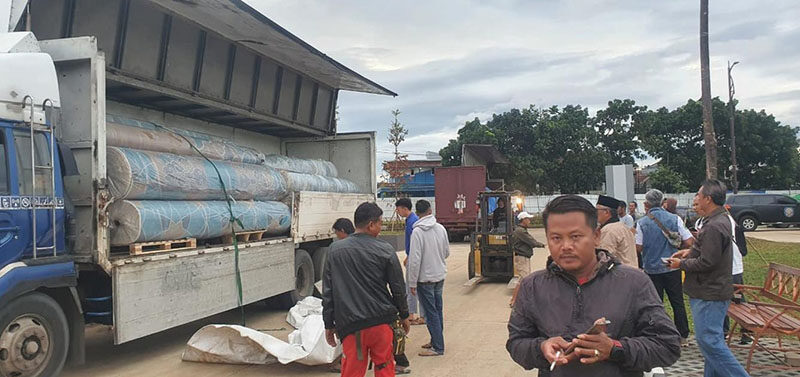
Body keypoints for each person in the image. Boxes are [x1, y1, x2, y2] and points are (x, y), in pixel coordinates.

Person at [506, 195, 681, 376]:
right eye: (556, 238)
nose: (566, 246)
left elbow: (667, 345)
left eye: (575, 236)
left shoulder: (634, 283)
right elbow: (516, 343)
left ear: (596, 236)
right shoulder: (533, 286)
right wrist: (541, 347)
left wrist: (615, 348)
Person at [666, 180, 750, 377]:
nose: (695, 198)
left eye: (698, 194)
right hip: (711, 290)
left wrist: (681, 265)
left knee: (710, 343)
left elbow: (707, 263)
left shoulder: (714, 225)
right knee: (710, 342)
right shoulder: (717, 220)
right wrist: (689, 252)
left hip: (709, 292)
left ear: (708, 199)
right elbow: (711, 254)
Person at [323, 202, 411, 377]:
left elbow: (329, 292)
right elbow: (398, 288)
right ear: (371, 224)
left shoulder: (335, 250)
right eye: (380, 223)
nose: (381, 227)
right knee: (385, 367)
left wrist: (328, 324)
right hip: (382, 323)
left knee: (352, 371)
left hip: (351, 326)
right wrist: (404, 315)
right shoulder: (385, 250)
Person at [635, 189, 692, 346]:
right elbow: (689, 241)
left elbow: (638, 247)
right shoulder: (675, 219)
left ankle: (658, 335)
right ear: (662, 202)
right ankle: (683, 336)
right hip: (672, 266)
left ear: (646, 204)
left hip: (652, 269)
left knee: (655, 304)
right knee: (677, 302)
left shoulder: (642, 222)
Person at [407, 199, 449, 357]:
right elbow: (446, 252)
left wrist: (412, 282)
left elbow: (414, 259)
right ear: (430, 210)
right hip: (439, 276)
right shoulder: (440, 228)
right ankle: (436, 340)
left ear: (417, 213)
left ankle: (438, 347)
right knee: (438, 311)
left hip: (425, 279)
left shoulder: (417, 231)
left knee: (430, 313)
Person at [394, 198, 424, 327]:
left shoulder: (413, 222)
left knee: (413, 286)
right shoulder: (410, 220)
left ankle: (413, 314)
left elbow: (415, 243)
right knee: (410, 286)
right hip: (411, 255)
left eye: (398, 208)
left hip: (413, 257)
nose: (397, 211)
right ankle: (412, 313)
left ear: (405, 208)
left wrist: (409, 256)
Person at [509, 211, 545, 307]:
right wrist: (541, 245)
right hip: (521, 258)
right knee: (524, 280)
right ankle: (514, 301)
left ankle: (518, 300)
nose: (529, 221)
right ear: (523, 220)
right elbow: (531, 241)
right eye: (528, 219)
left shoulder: (521, 230)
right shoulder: (520, 231)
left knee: (524, 280)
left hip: (524, 257)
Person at [595, 196, 637, 267]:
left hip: (620, 274)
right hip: (632, 272)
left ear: (606, 212)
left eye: (597, 210)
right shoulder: (624, 227)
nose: (595, 214)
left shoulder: (608, 230)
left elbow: (604, 259)